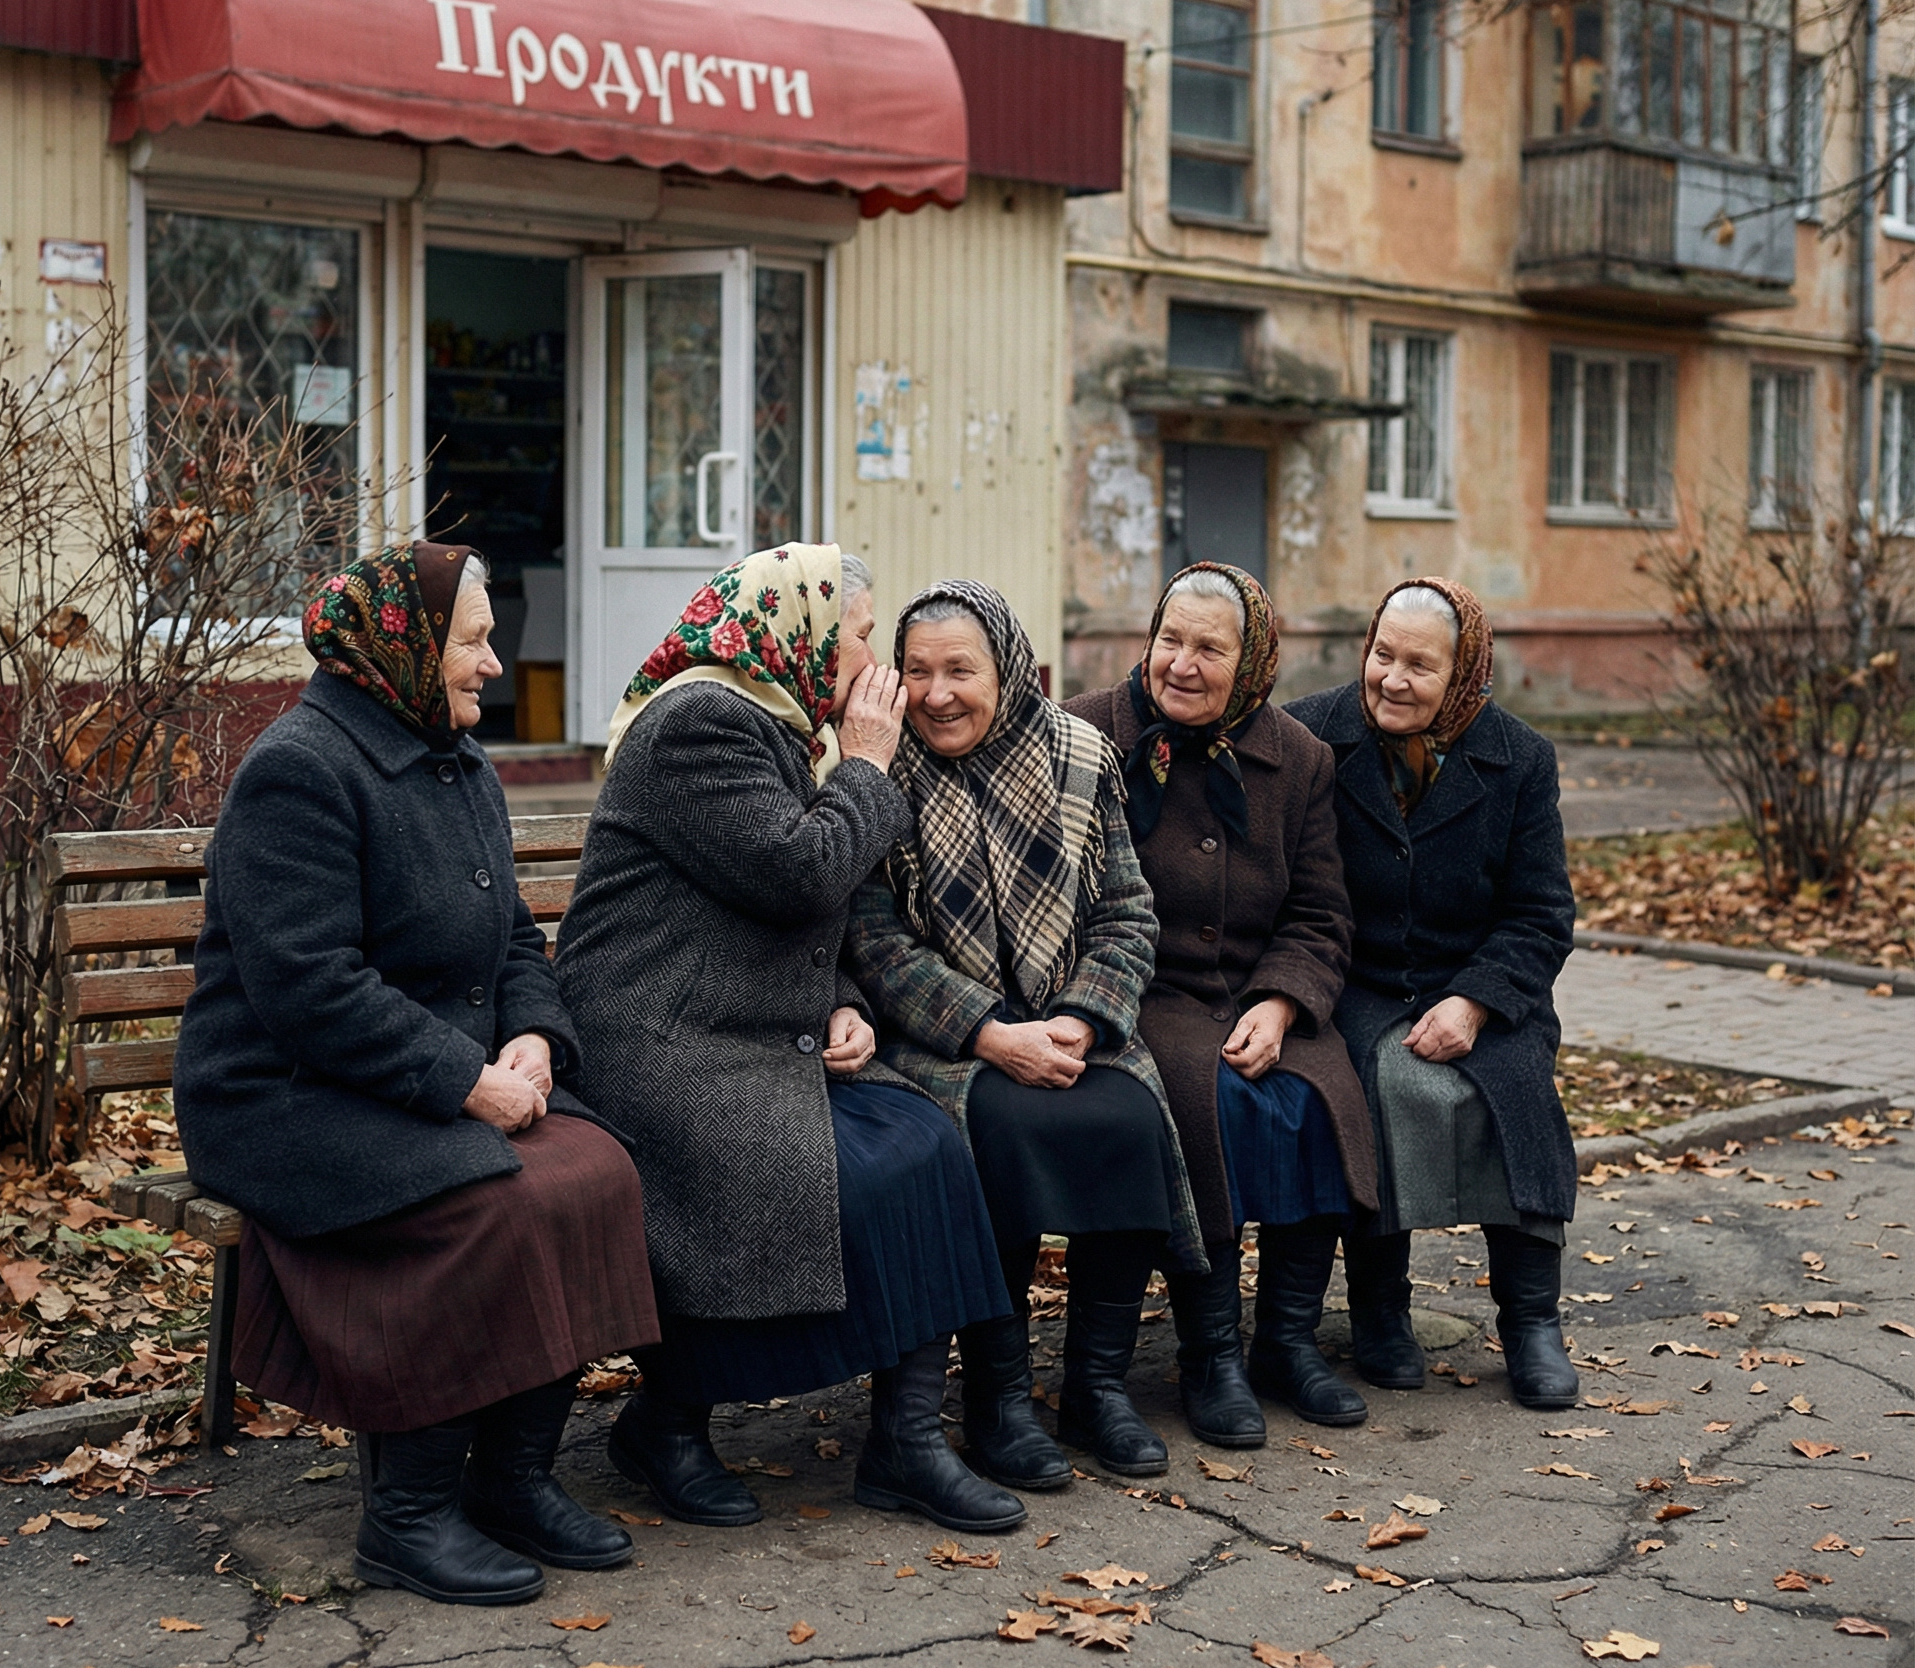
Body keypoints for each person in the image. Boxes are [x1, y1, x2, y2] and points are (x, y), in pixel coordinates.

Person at [173, 543, 661, 1608]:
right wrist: (464, 1080)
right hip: (279, 1093)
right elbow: (308, 988)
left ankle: (512, 1480)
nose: (495, 662)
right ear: (401, 642)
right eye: (475, 640)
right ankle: (407, 1514)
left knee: (600, 1172)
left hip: (417, 1071)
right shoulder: (299, 768)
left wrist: (535, 1039)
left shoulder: (456, 758)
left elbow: (515, 947)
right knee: (488, 1203)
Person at [551, 545, 1023, 1535]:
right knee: (803, 1165)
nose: (870, 661)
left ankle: (906, 1442)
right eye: (858, 634)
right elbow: (801, 872)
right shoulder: (702, 722)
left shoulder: (770, 721)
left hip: (742, 1029)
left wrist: (845, 995)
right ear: (797, 630)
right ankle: (667, 1423)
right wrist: (863, 764)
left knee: (924, 1136)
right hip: (659, 1040)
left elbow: (789, 910)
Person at [850, 580, 1205, 1489]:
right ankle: (1000, 1402)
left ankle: (1094, 1386)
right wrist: (991, 1033)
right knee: (1000, 1129)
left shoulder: (1082, 755)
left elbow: (1128, 910)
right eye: (917, 670)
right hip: (947, 1041)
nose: (937, 694)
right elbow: (874, 941)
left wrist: (1084, 1021)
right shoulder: (877, 769)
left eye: (961, 670)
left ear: (1007, 672)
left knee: (1125, 1118)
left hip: (1074, 1021)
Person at [1066, 563, 1379, 1441]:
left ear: (1252, 664)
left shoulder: (1299, 757)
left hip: (1253, 990)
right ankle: (1210, 1354)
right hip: (1141, 992)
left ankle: (1284, 1341)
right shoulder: (1090, 733)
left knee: (1321, 1097)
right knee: (1210, 1107)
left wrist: (1282, 1003)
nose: (1184, 664)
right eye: (1171, 640)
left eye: (1211, 648)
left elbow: (1322, 912)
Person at [1285, 579, 1580, 1410]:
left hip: (1480, 983)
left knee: (1514, 1092)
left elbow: (1541, 913)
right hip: (1361, 981)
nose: (1394, 680)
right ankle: (1382, 1310)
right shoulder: (1313, 735)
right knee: (1372, 1086)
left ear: (1467, 676)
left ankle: (1530, 1321)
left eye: (1421, 665)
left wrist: (1476, 1002)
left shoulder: (1520, 759)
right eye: (1384, 655)